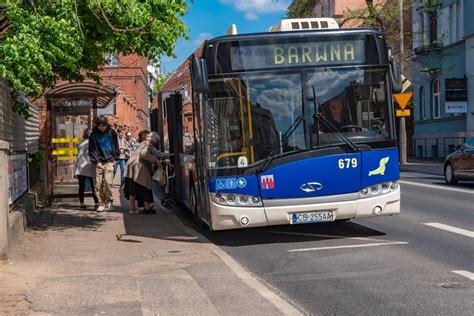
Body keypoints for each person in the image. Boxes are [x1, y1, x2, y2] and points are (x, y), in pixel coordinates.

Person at [124, 132, 169, 215]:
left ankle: (132, 208)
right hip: (139, 167)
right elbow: (144, 155)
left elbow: (157, 153)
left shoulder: (144, 143)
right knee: (146, 187)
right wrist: (155, 160)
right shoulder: (147, 144)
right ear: (154, 140)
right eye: (157, 141)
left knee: (132, 189)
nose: (157, 142)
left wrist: (168, 155)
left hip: (131, 166)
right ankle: (147, 208)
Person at [89, 115, 120, 212]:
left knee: (108, 182)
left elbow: (116, 146)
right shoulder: (93, 134)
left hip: (109, 160)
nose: (101, 128)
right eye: (99, 126)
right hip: (99, 162)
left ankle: (109, 201)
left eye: (103, 125)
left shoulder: (111, 133)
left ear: (106, 125)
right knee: (98, 184)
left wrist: (115, 159)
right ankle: (101, 203)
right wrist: (96, 161)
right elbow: (92, 149)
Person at [74, 128, 99, 209]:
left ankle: (81, 203)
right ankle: (96, 202)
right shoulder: (92, 143)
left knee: (81, 186)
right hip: (89, 165)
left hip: (80, 166)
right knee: (93, 186)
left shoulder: (80, 142)